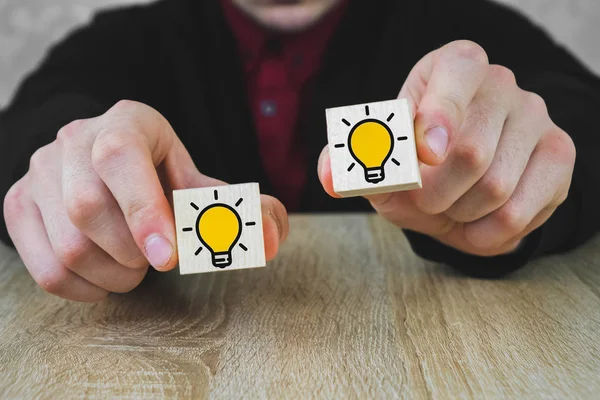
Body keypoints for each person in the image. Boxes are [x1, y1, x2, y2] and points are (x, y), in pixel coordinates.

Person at [1, 0, 599, 302]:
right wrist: (64, 172)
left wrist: (530, 181)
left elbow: (580, 120)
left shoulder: (463, 21)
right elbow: (33, 131)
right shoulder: (121, 41)